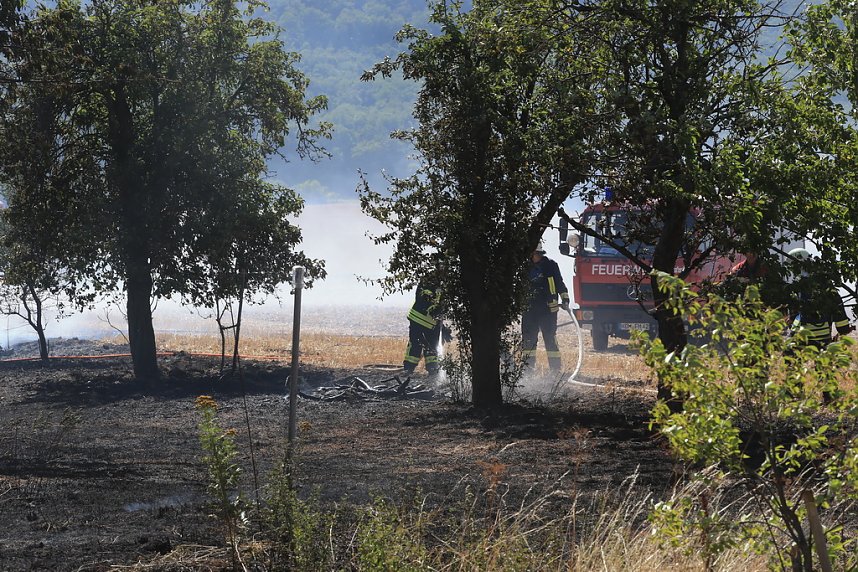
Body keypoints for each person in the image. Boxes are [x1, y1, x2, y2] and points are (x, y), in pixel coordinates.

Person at [788, 247, 854, 402]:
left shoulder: (797, 286)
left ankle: (796, 397)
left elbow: (793, 314)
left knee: (793, 362)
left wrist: (790, 329)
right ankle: (828, 398)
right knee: (824, 367)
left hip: (802, 335)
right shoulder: (824, 284)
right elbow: (838, 309)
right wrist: (843, 329)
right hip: (820, 335)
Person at [522, 241, 570, 371]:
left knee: (550, 339)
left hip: (547, 310)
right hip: (529, 310)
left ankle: (555, 369)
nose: (532, 257)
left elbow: (559, 282)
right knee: (528, 340)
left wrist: (565, 298)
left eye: (534, 254)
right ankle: (527, 369)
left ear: (537, 253)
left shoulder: (550, 265)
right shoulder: (524, 266)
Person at [403, 280, 443, 377]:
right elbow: (423, 298)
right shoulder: (434, 283)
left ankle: (413, 368)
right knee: (425, 344)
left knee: (423, 344)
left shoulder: (429, 281)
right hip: (424, 320)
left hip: (425, 321)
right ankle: (429, 369)